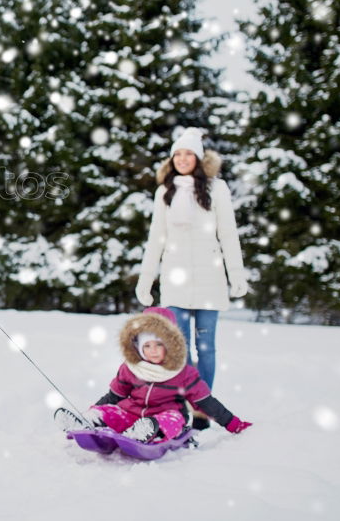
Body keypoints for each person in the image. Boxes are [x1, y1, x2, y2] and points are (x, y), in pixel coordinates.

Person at [136, 127, 247, 408]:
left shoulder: (216, 189)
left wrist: (236, 272)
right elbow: (155, 239)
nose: (183, 159)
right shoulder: (165, 192)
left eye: (188, 154)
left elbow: (228, 233)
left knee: (206, 347)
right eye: (178, 154)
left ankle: (203, 404)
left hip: (210, 279)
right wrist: (145, 280)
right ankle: (182, 403)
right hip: (176, 281)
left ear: (198, 159)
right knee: (179, 347)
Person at [56, 307, 252, 442]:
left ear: (171, 345)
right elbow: (115, 396)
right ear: (139, 348)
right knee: (109, 411)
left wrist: (234, 424)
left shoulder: (183, 372)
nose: (153, 351)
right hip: (132, 416)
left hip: (167, 417)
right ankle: (86, 422)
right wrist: (96, 408)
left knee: (172, 419)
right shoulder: (131, 367)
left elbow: (206, 402)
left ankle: (149, 430)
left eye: (160, 344)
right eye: (147, 346)